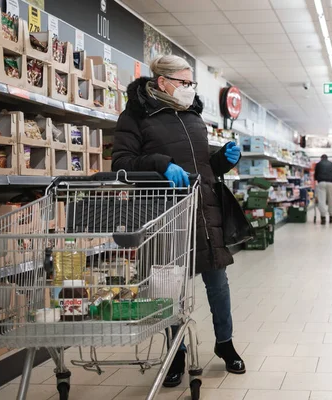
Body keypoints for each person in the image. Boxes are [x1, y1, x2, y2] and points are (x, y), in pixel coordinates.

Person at [112, 55, 245, 388]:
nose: (190, 89)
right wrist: (162, 164)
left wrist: (221, 161)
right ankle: (177, 353)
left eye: (191, 83)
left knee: (218, 283)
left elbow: (203, 167)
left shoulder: (192, 114)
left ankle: (225, 343)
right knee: (170, 288)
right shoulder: (135, 116)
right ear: (162, 82)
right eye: (185, 83)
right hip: (164, 215)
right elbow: (122, 163)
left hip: (204, 209)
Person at [314, 154, 332, 225]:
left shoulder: (318, 164)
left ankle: (323, 217)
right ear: (327, 158)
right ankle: (331, 217)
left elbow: (315, 175)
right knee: (331, 200)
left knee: (321, 200)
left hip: (321, 183)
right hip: (331, 183)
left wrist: (318, 178)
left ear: (321, 158)